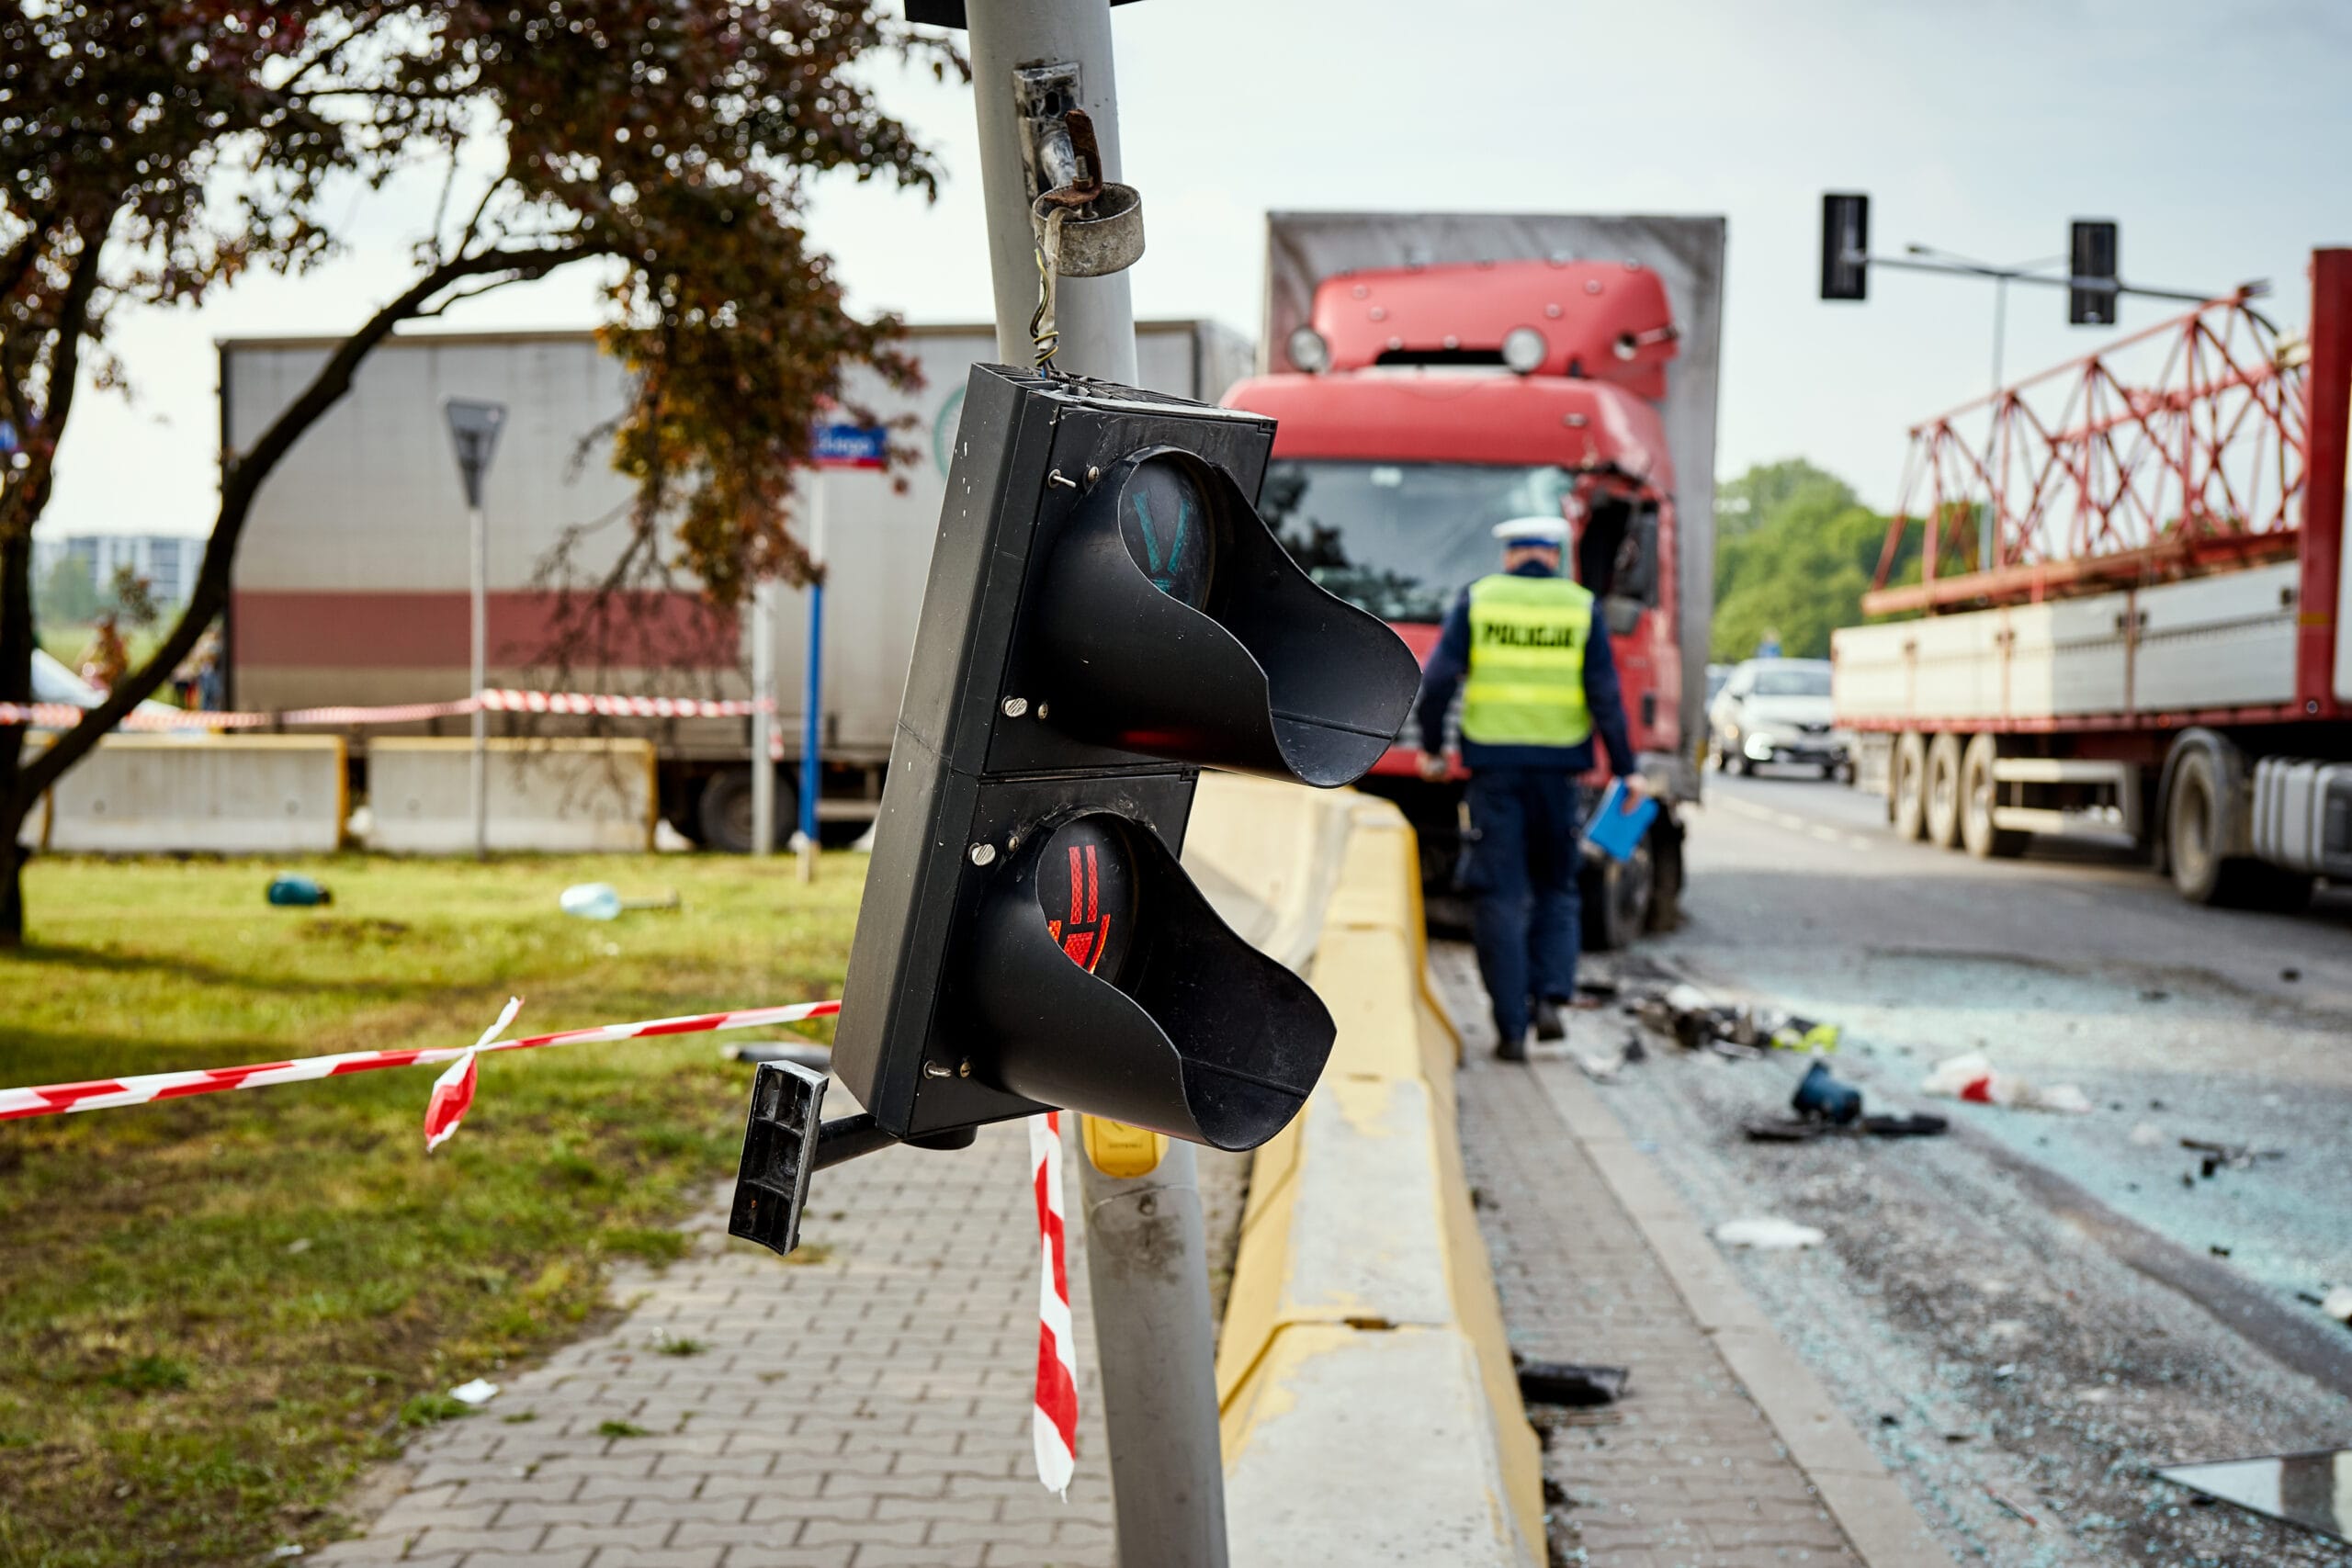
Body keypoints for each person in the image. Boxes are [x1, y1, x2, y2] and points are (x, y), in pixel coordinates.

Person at [1414, 514, 1645, 1060]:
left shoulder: (1480, 600)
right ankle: (1550, 997)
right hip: (1558, 777)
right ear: (1555, 554)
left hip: (1494, 776)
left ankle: (1511, 1028)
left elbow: (1440, 679)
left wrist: (1431, 749)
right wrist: (1626, 767)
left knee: (1500, 895)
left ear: (1510, 554)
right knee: (1557, 890)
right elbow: (1605, 694)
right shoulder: (1579, 605)